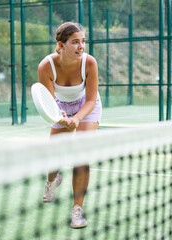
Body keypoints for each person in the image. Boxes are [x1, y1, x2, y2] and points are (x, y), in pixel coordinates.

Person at [37, 22, 102, 228]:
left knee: (81, 153)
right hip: (59, 107)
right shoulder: (45, 66)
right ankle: (52, 181)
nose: (81, 46)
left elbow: (91, 101)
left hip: (87, 106)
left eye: (83, 41)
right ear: (61, 44)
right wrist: (61, 117)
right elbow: (49, 101)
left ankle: (77, 209)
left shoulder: (89, 63)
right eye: (75, 42)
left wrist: (77, 119)